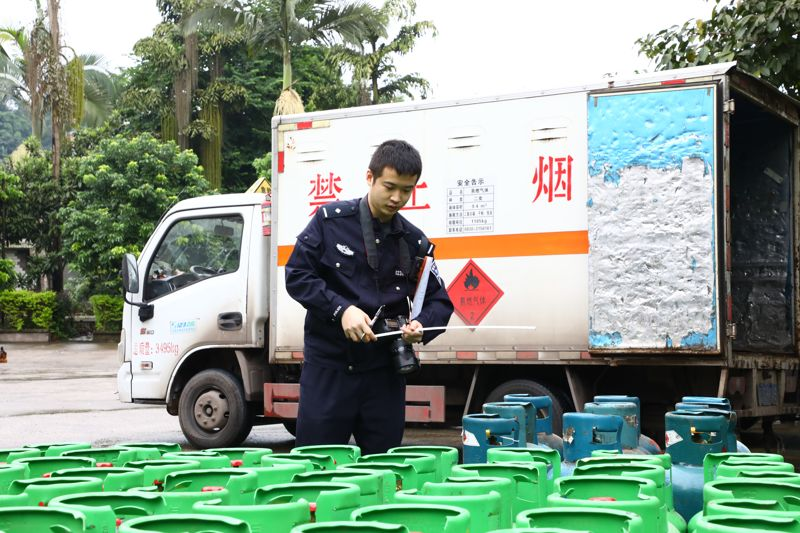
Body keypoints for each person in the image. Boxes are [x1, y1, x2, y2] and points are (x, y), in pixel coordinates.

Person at [285, 139, 454, 455]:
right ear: (369, 177)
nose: (397, 198)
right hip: (329, 372)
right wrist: (341, 310)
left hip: (384, 377)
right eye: (389, 186)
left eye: (406, 190)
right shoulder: (329, 222)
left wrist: (421, 325)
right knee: (317, 468)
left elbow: (440, 302)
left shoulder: (415, 242)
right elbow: (297, 275)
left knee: (384, 471)